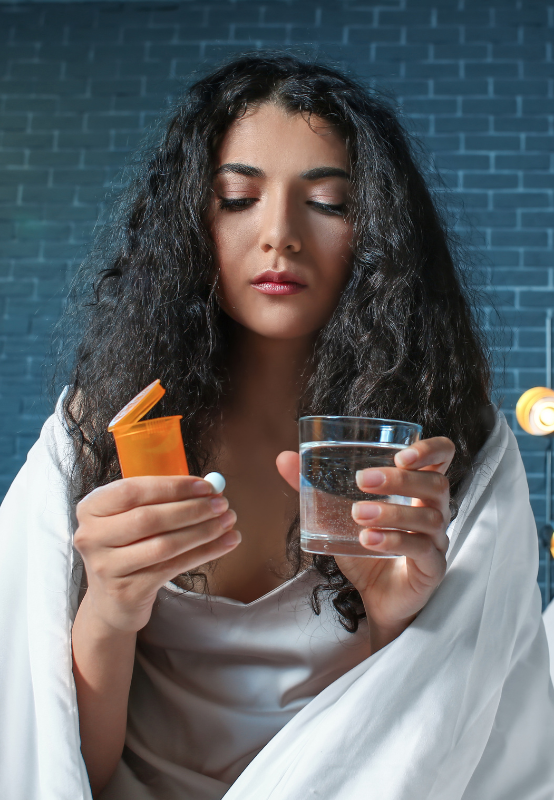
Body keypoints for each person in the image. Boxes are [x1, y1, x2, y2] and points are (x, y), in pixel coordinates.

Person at [58, 52, 494, 796]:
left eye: (328, 203)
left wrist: (396, 623)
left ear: (379, 234)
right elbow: (61, 769)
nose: (280, 235)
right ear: (191, 223)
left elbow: (450, 755)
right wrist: (110, 607)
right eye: (236, 198)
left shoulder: (442, 443)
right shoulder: (100, 421)